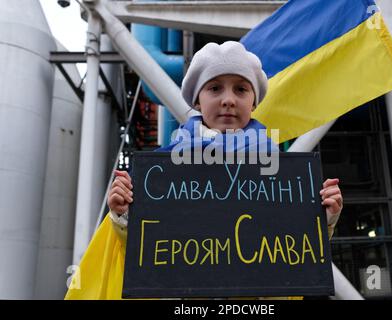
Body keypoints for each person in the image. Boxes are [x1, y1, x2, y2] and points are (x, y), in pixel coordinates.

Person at [65, 41, 343, 300]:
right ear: (197, 100)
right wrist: (123, 216)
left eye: (241, 89)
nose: (228, 99)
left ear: (254, 102)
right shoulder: (161, 171)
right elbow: (144, 254)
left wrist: (322, 220)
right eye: (214, 88)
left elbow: (292, 251)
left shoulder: (279, 171)